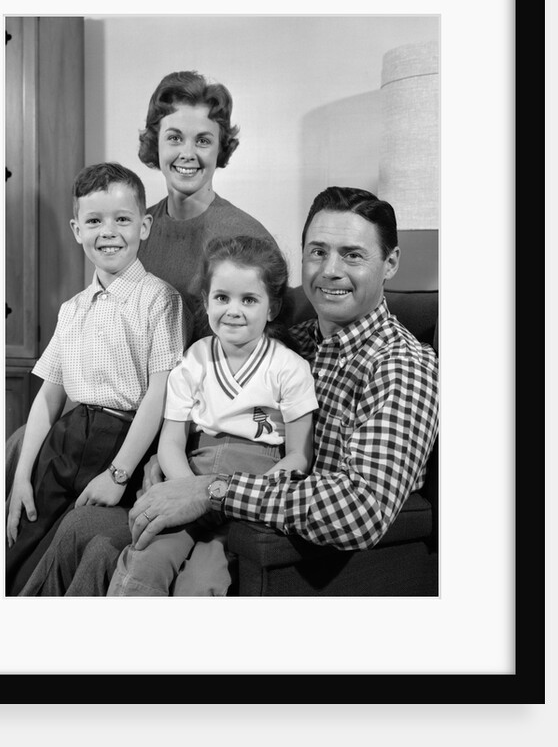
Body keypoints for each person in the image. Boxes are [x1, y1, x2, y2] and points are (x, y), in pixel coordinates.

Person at [127, 186, 439, 560]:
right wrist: (170, 465)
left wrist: (212, 490)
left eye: (352, 255)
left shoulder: (402, 367)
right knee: (97, 545)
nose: (330, 270)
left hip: (288, 556)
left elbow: (361, 510)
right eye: (318, 252)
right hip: (219, 512)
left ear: (390, 263)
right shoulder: (291, 341)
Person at [5, 162, 185, 596]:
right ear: (76, 230)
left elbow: (159, 394)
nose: (108, 232)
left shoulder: (160, 299)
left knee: (60, 548)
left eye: (122, 219)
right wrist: (21, 477)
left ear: (144, 226)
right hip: (66, 441)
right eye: (94, 221)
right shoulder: (72, 308)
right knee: (17, 543)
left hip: (121, 440)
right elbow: (49, 395)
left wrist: (118, 475)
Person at [106, 235, 318, 596]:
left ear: (272, 308)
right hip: (190, 473)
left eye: (248, 299)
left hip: (250, 491)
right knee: (144, 562)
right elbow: (171, 442)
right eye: (222, 297)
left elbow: (299, 455)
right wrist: (187, 491)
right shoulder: (194, 361)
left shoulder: (290, 368)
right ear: (205, 302)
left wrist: (243, 496)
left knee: (202, 582)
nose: (233, 310)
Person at [136, 69, 278, 341]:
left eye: (202, 141)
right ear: (156, 143)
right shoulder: (135, 230)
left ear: (220, 148)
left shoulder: (247, 236)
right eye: (175, 138)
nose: (187, 154)